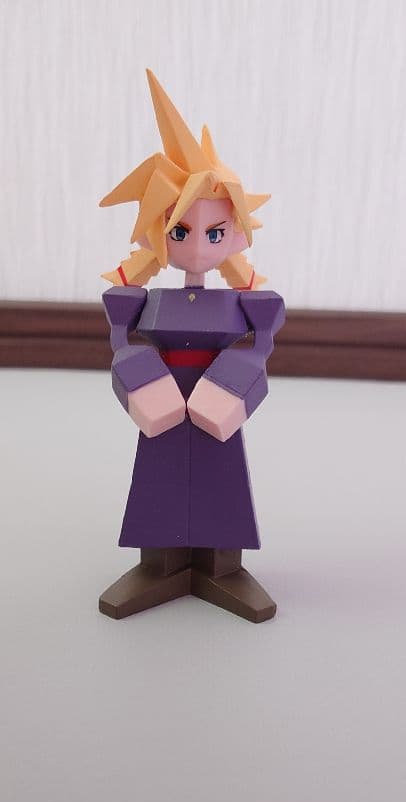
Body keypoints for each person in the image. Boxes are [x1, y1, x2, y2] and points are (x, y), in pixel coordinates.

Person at [96, 70, 284, 623]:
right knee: (158, 480)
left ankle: (223, 567)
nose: (198, 247)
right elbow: (120, 340)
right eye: (180, 231)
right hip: (162, 394)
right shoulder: (141, 302)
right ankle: (160, 565)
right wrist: (138, 377)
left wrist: (236, 382)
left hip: (217, 397)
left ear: (237, 232)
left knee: (222, 483)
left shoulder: (248, 303)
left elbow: (261, 345)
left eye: (215, 232)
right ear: (157, 231)